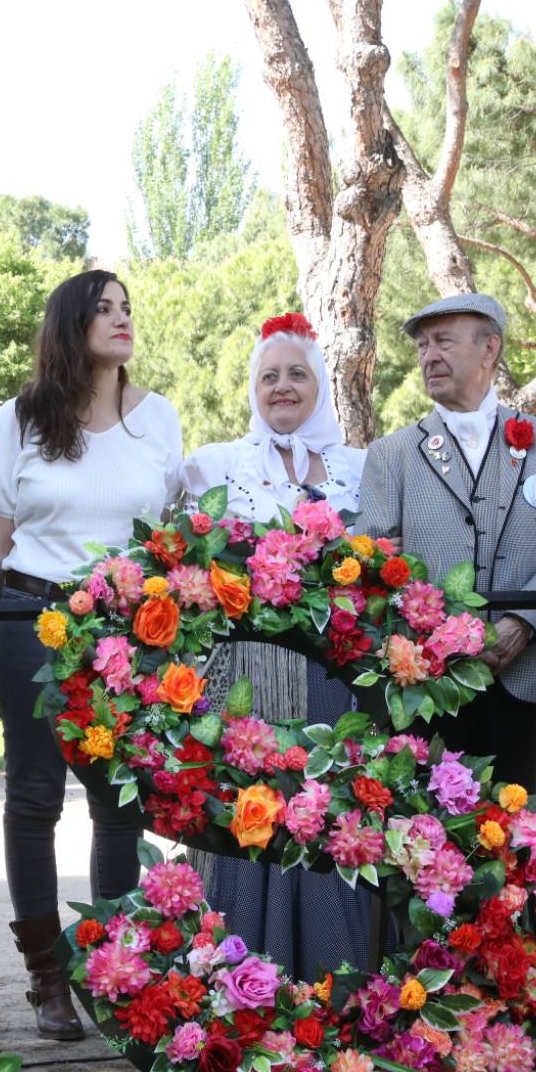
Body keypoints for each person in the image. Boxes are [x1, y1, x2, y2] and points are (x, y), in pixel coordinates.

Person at [0, 269, 183, 1040]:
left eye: (127, 306)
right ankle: (48, 979)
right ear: (71, 325)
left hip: (128, 629)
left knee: (119, 800)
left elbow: (172, 537)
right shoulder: (20, 418)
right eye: (104, 309)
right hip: (30, 617)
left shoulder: (158, 418)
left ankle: (115, 972)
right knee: (32, 801)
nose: (122, 319)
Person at [180, 313, 373, 979]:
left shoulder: (361, 469)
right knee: (251, 810)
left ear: (320, 384)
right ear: (252, 387)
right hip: (248, 683)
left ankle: (335, 979)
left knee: (329, 806)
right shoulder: (213, 464)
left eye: (297, 374)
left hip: (338, 680)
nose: (283, 387)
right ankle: (241, 984)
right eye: (269, 376)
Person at [355, 292, 536, 806]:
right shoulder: (391, 454)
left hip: (526, 677)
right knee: (423, 841)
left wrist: (523, 624)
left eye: (442, 341)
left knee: (521, 840)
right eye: (422, 346)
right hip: (425, 685)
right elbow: (369, 561)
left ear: (489, 350)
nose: (428, 356)